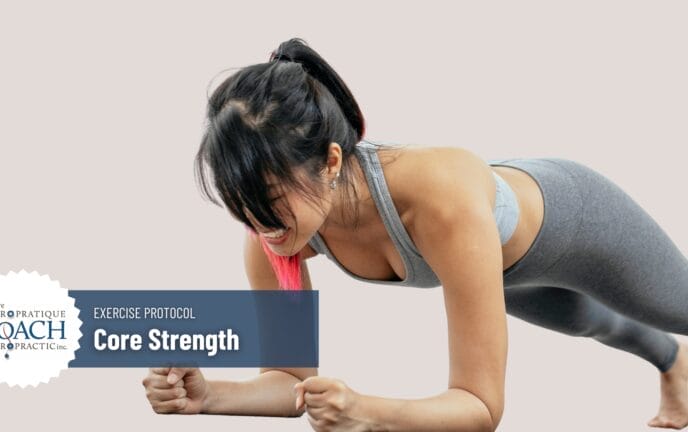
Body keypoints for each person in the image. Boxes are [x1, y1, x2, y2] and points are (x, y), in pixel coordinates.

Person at [142, 37, 688, 431]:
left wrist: (367, 412)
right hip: (499, 265)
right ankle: (676, 366)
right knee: (593, 322)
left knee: (677, 307)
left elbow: (481, 407)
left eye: (269, 198)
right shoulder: (272, 232)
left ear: (330, 162)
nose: (258, 223)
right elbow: (289, 379)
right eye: (240, 202)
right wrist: (209, 395)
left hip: (576, 218)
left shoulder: (438, 201)